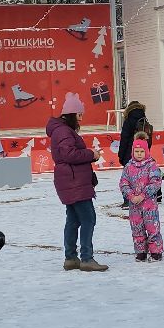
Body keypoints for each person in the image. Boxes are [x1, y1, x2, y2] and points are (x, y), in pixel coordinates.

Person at [47, 93, 107, 272]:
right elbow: (69, 154)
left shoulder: (61, 130)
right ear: (72, 114)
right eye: (79, 115)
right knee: (88, 218)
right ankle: (86, 258)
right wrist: (91, 154)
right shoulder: (64, 131)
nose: (81, 119)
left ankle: (71, 258)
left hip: (70, 181)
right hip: (74, 182)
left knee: (73, 220)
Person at [117, 138, 164, 262]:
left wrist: (143, 195)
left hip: (149, 205)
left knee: (152, 228)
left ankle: (156, 252)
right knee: (137, 228)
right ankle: (141, 251)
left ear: (147, 152)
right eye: (137, 151)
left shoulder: (151, 165)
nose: (139, 154)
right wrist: (131, 196)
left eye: (141, 151)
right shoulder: (128, 166)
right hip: (134, 205)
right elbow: (124, 183)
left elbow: (155, 182)